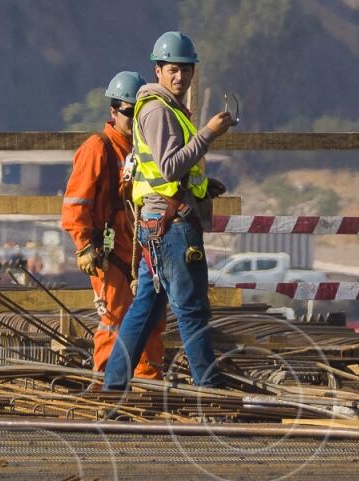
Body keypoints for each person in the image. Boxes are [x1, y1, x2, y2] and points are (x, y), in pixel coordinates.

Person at [102, 31, 233, 392]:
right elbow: (171, 166)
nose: (181, 77)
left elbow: (170, 175)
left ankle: (113, 385)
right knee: (191, 309)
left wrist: (206, 187)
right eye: (173, 70)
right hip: (172, 228)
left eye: (186, 70)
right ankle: (209, 385)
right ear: (157, 70)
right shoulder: (159, 110)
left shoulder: (165, 108)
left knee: (145, 309)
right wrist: (209, 132)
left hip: (159, 223)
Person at [62, 69, 164, 379]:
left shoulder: (147, 150)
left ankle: (148, 381)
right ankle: (108, 381)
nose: (134, 122)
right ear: (113, 111)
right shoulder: (99, 148)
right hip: (110, 252)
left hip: (144, 249)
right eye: (128, 113)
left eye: (140, 115)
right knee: (115, 318)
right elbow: (76, 203)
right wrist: (83, 246)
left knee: (151, 318)